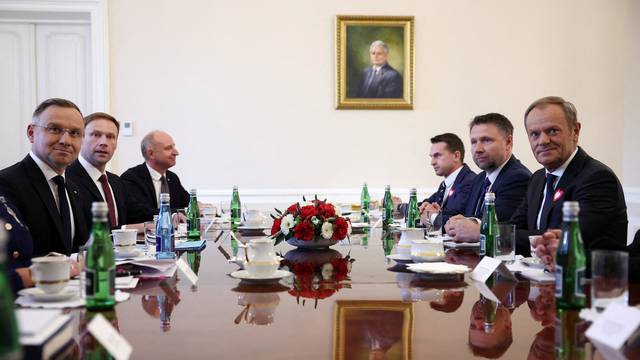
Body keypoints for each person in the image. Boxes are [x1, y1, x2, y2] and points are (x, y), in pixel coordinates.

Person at [511, 96, 627, 257]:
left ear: (575, 131)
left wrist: (485, 232)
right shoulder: (537, 178)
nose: (543, 141)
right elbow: (514, 227)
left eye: (552, 131)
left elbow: (564, 239)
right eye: (534, 134)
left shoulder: (597, 178)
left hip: (585, 279)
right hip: (539, 275)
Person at [0, 98, 88, 256]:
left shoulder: (73, 189)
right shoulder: (6, 184)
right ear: (31, 133)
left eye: (75, 133)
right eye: (54, 129)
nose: (65, 141)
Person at [445, 113, 531, 243]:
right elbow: (465, 214)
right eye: (473, 142)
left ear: (508, 142)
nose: (478, 149)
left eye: (486, 140)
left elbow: (501, 228)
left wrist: (469, 225)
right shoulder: (480, 179)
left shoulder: (517, 177)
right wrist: (453, 223)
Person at [67, 112, 135, 230]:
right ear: (80, 139)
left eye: (110, 137)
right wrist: (123, 229)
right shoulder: (66, 178)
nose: (103, 142)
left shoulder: (116, 181)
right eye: (96, 135)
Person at [396, 133, 477, 228]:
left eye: (437, 156)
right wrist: (399, 206)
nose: (432, 162)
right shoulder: (445, 185)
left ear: (456, 156)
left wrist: (429, 213)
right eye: (432, 157)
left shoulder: (469, 181)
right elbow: (424, 205)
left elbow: (451, 216)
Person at [121, 130, 189, 222]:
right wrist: (173, 214)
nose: (176, 152)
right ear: (151, 154)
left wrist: (200, 207)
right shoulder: (131, 178)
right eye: (168, 148)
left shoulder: (172, 178)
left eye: (174, 147)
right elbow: (140, 213)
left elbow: (187, 202)